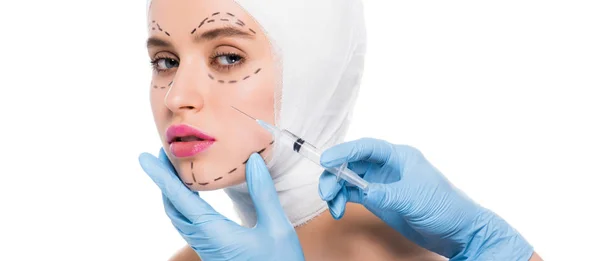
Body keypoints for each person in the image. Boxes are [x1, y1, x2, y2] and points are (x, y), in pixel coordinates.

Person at [138, 0, 542, 260]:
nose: (177, 98)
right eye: (165, 61)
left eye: (227, 57)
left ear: (313, 73)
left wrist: (486, 244)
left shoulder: (389, 251)